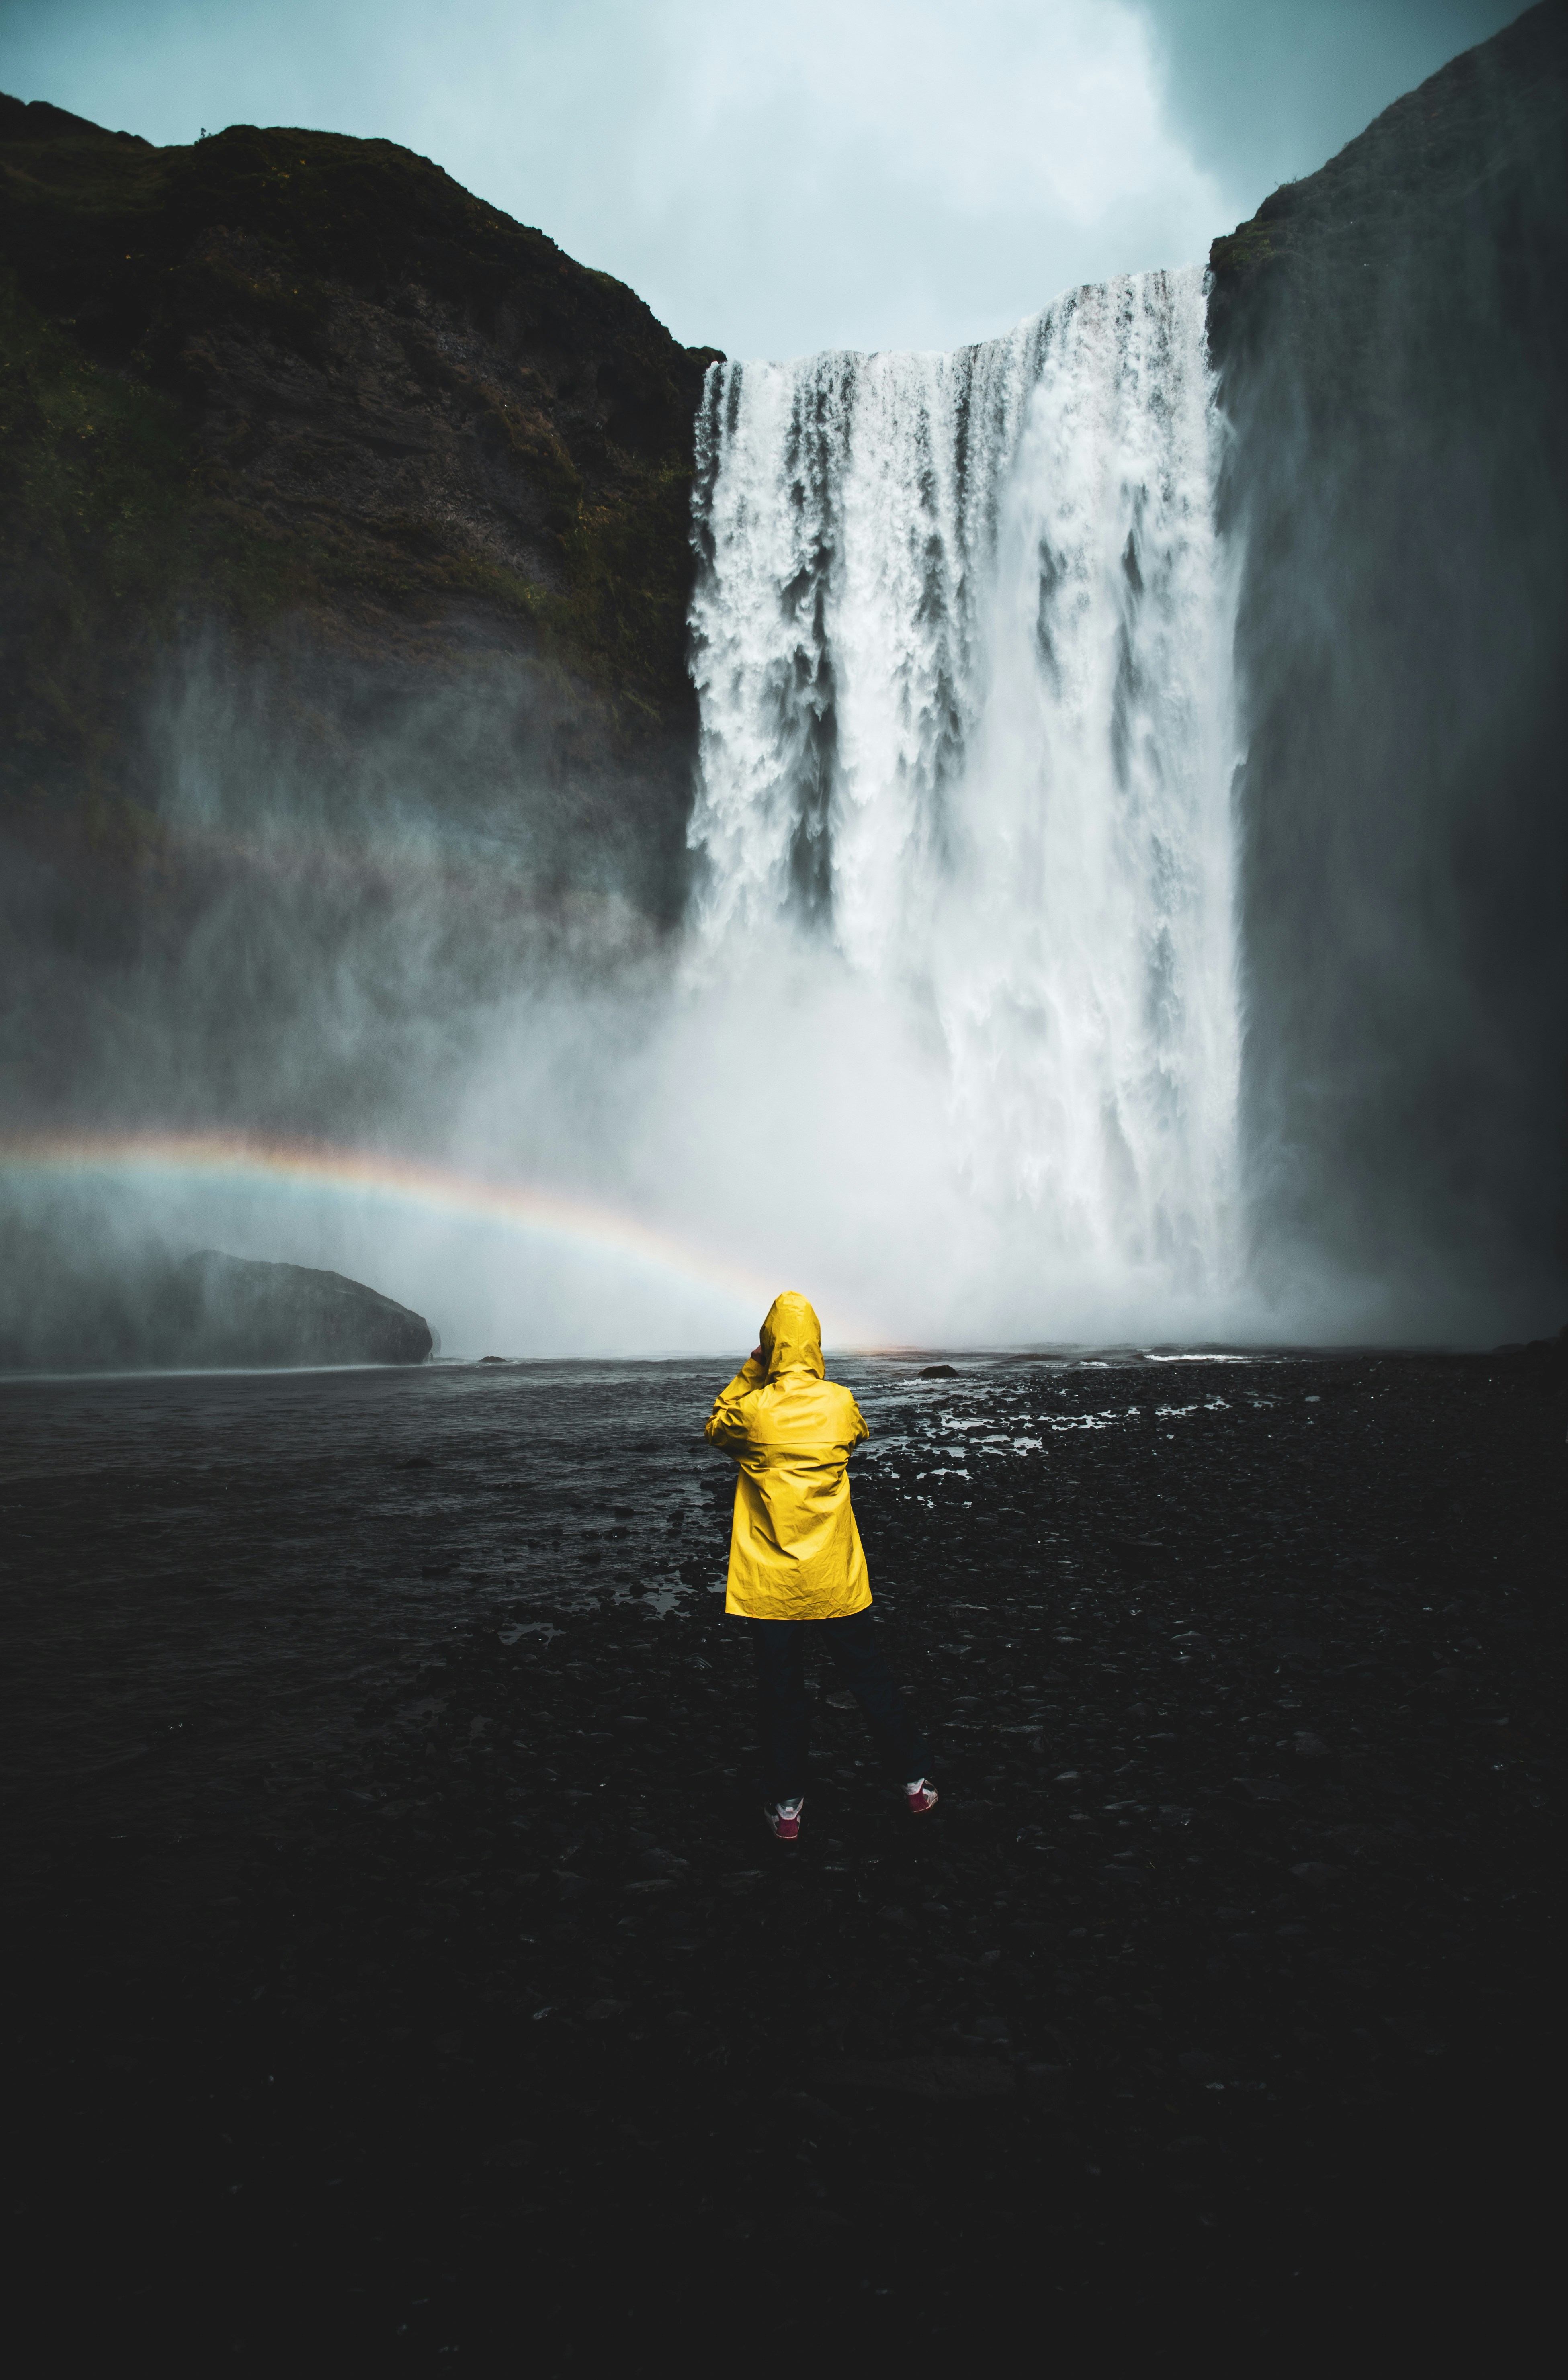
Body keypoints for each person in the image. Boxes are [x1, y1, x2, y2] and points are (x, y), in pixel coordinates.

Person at [704, 1290, 938, 1842]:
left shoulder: (753, 1411)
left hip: (770, 1586)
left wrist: (752, 1371)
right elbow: (857, 1434)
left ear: (769, 1344)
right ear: (815, 1344)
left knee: (781, 1694)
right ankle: (915, 1785)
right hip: (835, 1578)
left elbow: (715, 1426)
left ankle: (787, 1809)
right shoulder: (839, 1403)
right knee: (870, 1679)